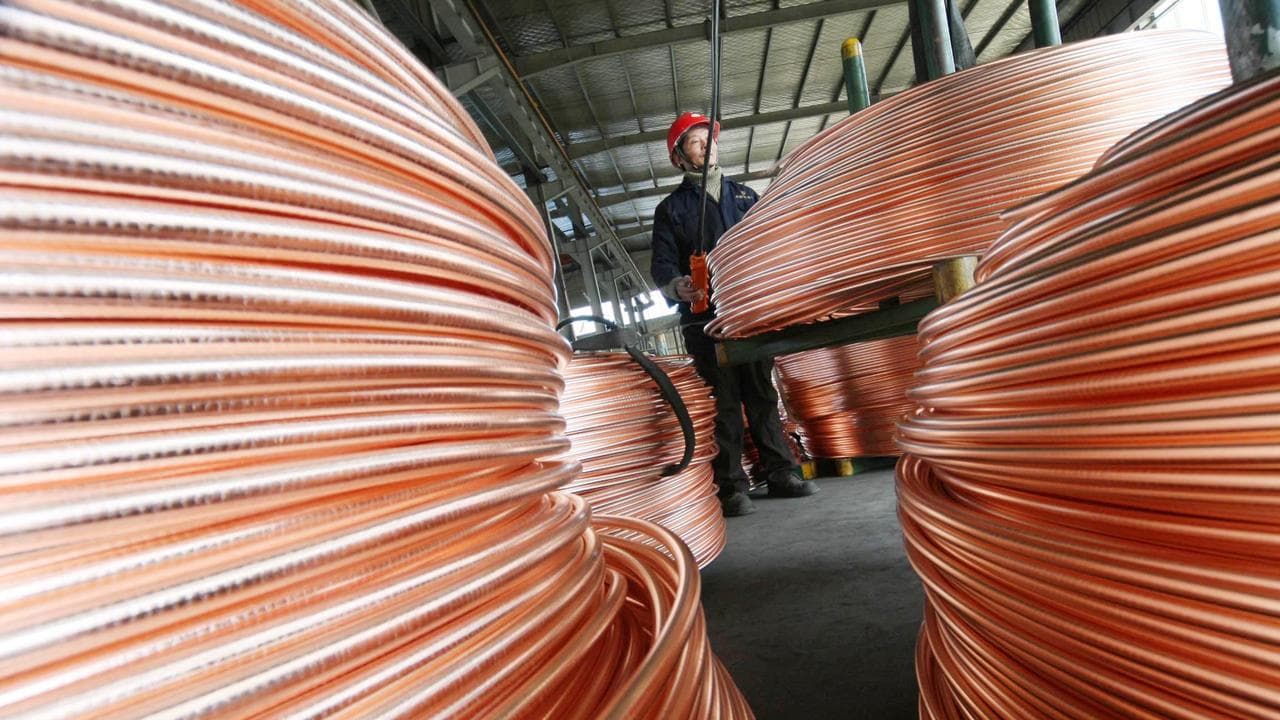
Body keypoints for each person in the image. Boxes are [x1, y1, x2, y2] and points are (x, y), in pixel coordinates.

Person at [650, 111, 819, 517]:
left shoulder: (744, 196)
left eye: (709, 139)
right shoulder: (671, 210)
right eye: (696, 142)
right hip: (703, 319)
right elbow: (662, 265)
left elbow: (767, 245)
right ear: (681, 156)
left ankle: (781, 472)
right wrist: (678, 286)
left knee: (762, 394)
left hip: (747, 313)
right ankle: (730, 486)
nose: (706, 146)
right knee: (724, 401)